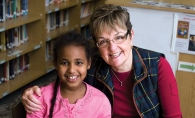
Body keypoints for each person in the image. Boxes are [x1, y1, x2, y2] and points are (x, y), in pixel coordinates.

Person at [22, 4, 182, 118]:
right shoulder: (92, 66)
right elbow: (64, 82)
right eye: (104, 41)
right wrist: (31, 93)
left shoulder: (157, 65)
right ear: (97, 45)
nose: (113, 48)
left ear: (131, 36)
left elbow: (173, 116)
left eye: (119, 37)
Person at [26, 32, 111, 118]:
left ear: (88, 63)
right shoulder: (40, 99)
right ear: (56, 64)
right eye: (64, 63)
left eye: (78, 63)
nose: (71, 70)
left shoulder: (101, 101)